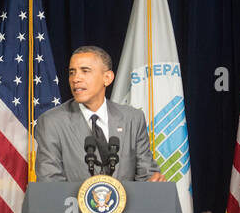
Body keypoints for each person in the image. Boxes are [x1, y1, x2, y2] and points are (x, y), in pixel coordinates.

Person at [35, 46, 163, 184]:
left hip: (128, 205)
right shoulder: (51, 122)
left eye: (85, 71)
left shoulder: (133, 118)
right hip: (72, 205)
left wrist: (153, 181)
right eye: (72, 72)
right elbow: (50, 182)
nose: (76, 78)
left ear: (107, 78)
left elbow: (146, 174)